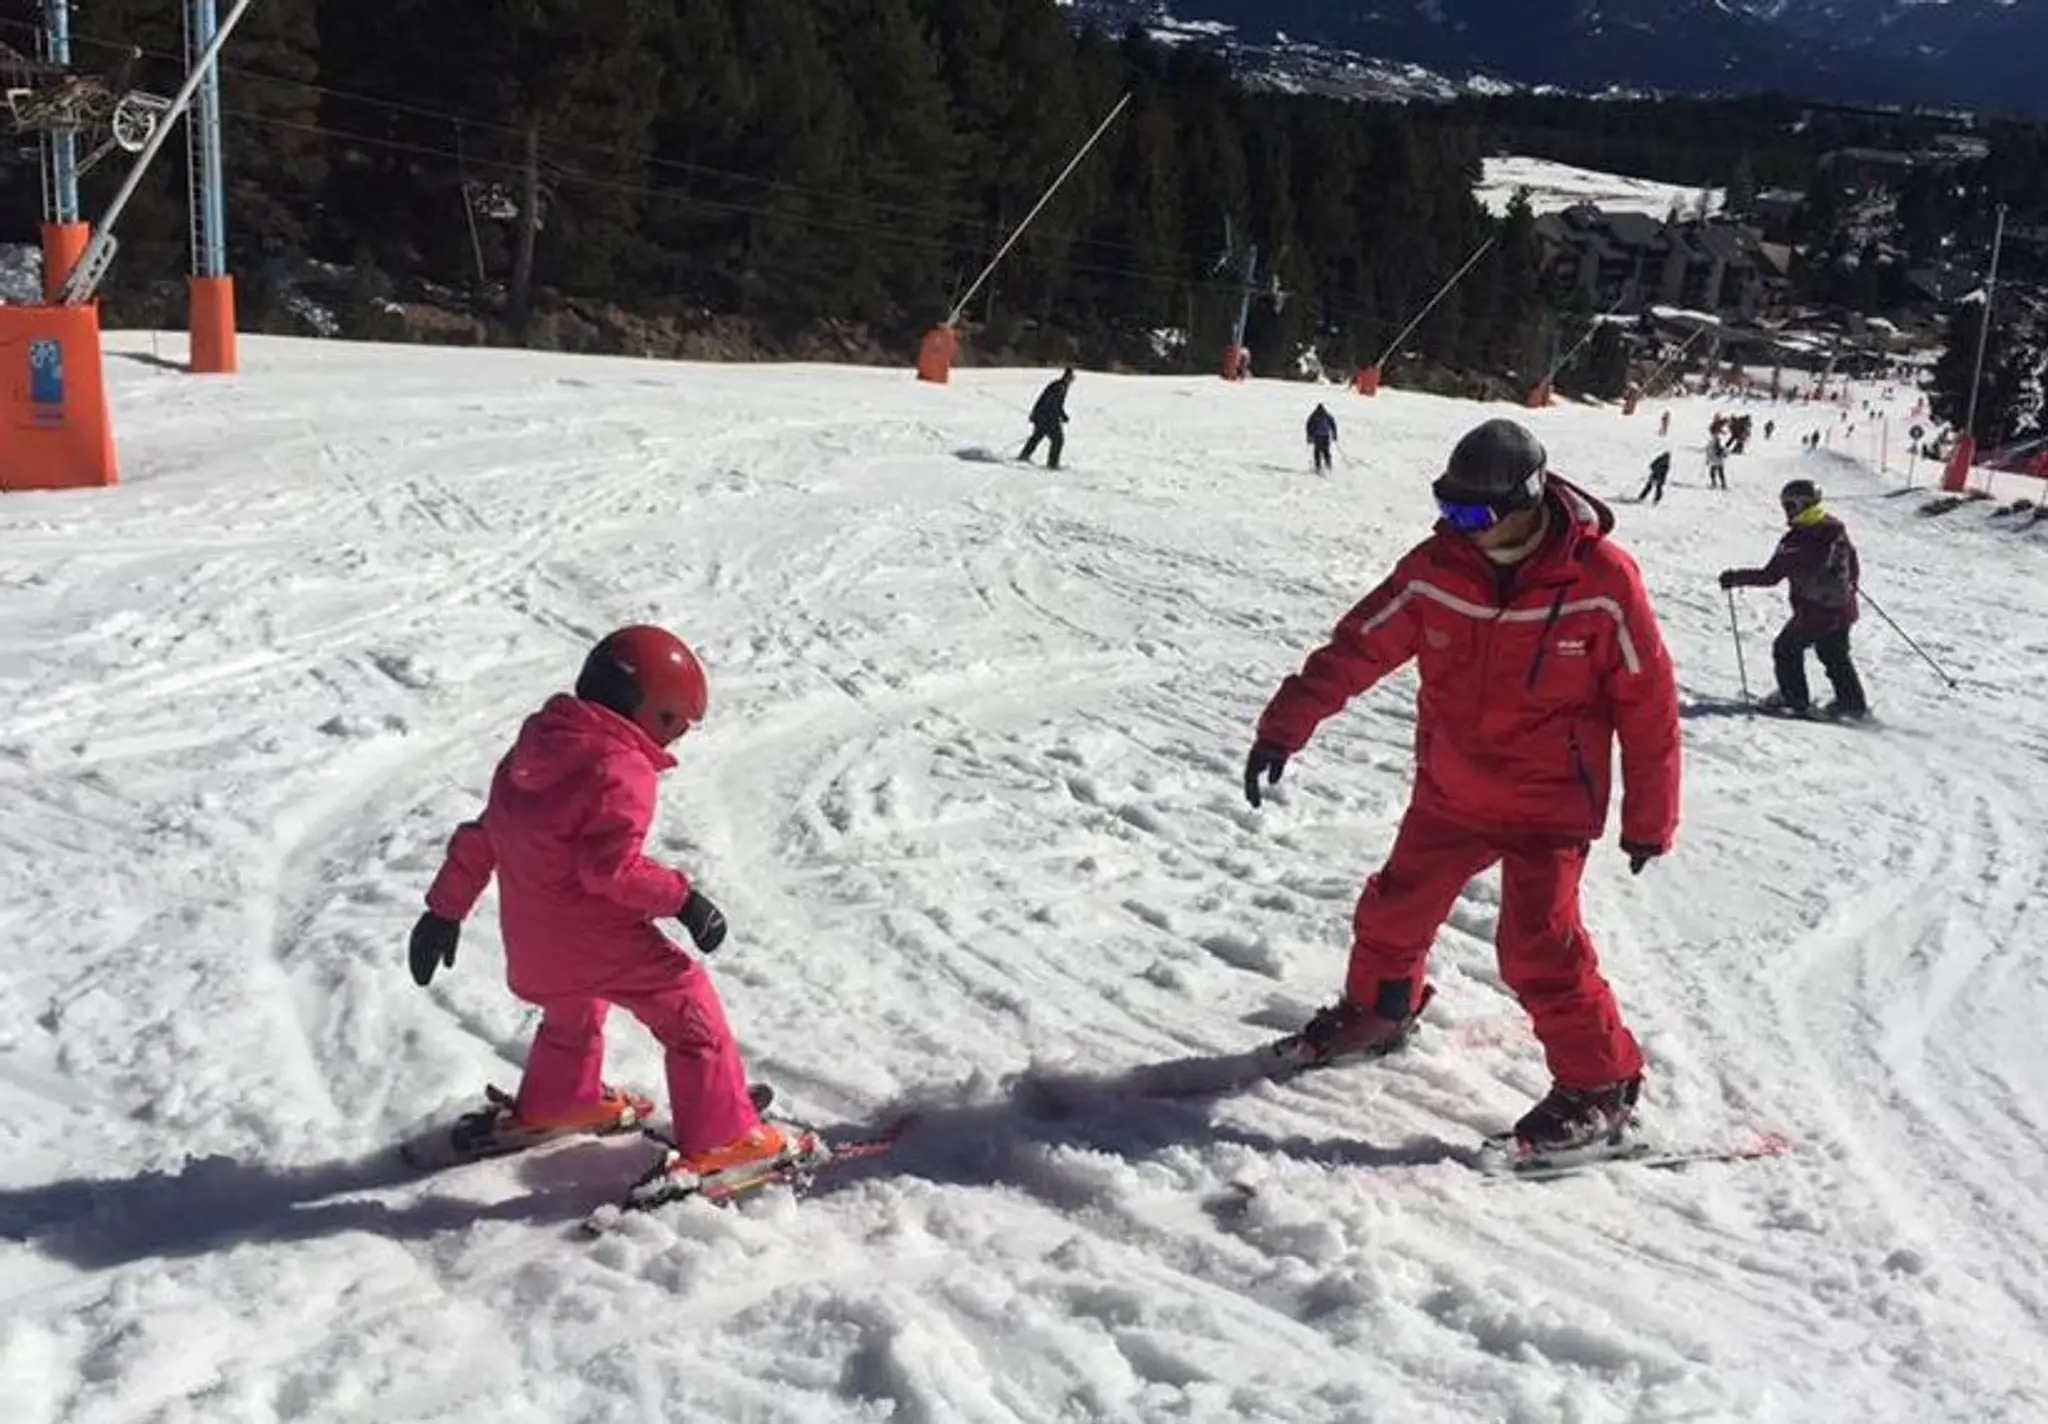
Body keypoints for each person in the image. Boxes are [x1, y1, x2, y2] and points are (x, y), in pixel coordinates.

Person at [1243, 418, 1681, 1157]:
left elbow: (1649, 703)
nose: (1459, 526)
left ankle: (1602, 1087)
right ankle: (1382, 1012)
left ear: (1526, 501)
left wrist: (1650, 818)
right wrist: (1283, 727)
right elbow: (1356, 647)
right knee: (1392, 911)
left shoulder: (1602, 583)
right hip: (1452, 791)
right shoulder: (1436, 569)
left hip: (1550, 804)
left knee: (1537, 945)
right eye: (1447, 506)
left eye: (1473, 513)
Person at [406, 625, 795, 1185]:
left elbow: (485, 835)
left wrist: (442, 912)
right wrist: (686, 901)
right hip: (595, 939)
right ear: (652, 712)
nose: (676, 740)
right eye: (676, 725)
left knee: (575, 1006)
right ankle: (725, 1136)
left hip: (534, 944)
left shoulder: (535, 750)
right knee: (687, 1006)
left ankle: (561, 1099)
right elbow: (610, 869)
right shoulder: (620, 766)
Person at [1718, 480, 1869, 720]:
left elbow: (1770, 576)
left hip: (1815, 612)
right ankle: (1852, 703)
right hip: (1843, 608)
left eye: (1790, 505)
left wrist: (1735, 577)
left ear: (1804, 505)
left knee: (1786, 648)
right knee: (1834, 653)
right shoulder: (1833, 528)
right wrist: (1851, 584)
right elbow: (1852, 559)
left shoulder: (1798, 541)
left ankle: (1794, 698)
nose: (1787, 511)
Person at [1019, 368, 1074, 469]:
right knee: (1058, 440)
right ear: (1066, 378)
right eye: (1071, 379)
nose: (1071, 381)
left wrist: (1063, 416)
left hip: (1041, 416)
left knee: (1037, 436)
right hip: (1047, 417)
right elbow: (1051, 403)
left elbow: (1057, 404)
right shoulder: (1059, 387)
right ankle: (1052, 464)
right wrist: (1056, 416)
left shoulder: (1059, 385)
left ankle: (1024, 455)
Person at [1307, 403, 1338, 473]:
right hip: (1325, 436)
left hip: (1317, 436)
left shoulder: (1314, 415)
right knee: (1326, 451)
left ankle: (1318, 467)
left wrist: (1309, 436)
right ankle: (1328, 466)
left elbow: (1309, 425)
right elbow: (1333, 424)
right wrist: (1334, 435)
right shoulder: (1327, 415)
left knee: (1317, 452)